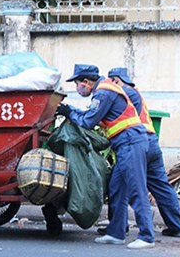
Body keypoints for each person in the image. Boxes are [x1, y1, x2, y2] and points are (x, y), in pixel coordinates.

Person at [56, 64, 155, 249]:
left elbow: (87, 121)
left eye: (77, 84)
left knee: (136, 188)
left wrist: (69, 112)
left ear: (86, 82)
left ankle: (147, 236)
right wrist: (70, 111)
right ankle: (116, 233)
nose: (77, 88)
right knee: (116, 187)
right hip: (125, 144)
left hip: (131, 143)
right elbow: (90, 115)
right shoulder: (104, 90)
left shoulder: (103, 92)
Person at [100, 67, 180, 237]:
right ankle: (176, 226)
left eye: (110, 82)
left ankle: (119, 228)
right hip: (152, 142)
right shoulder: (135, 92)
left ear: (115, 80)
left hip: (135, 143)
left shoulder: (123, 93)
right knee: (161, 186)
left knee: (119, 185)